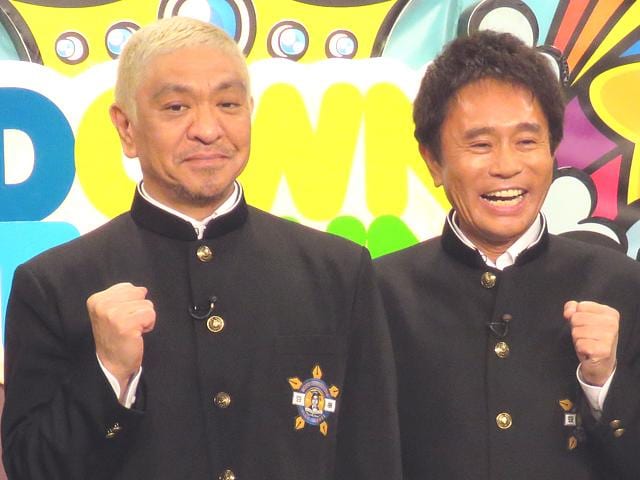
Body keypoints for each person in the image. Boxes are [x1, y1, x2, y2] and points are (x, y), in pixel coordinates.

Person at [1, 17, 401, 480]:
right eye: (176, 107)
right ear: (126, 127)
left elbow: (373, 458)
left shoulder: (338, 270)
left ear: (250, 111)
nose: (208, 129)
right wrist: (109, 372)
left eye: (228, 104)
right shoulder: (52, 284)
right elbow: (30, 468)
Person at [375, 30, 640, 479]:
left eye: (527, 142)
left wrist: (604, 381)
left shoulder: (621, 285)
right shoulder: (379, 294)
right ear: (433, 160)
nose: (506, 166)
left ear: (553, 150)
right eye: (480, 144)